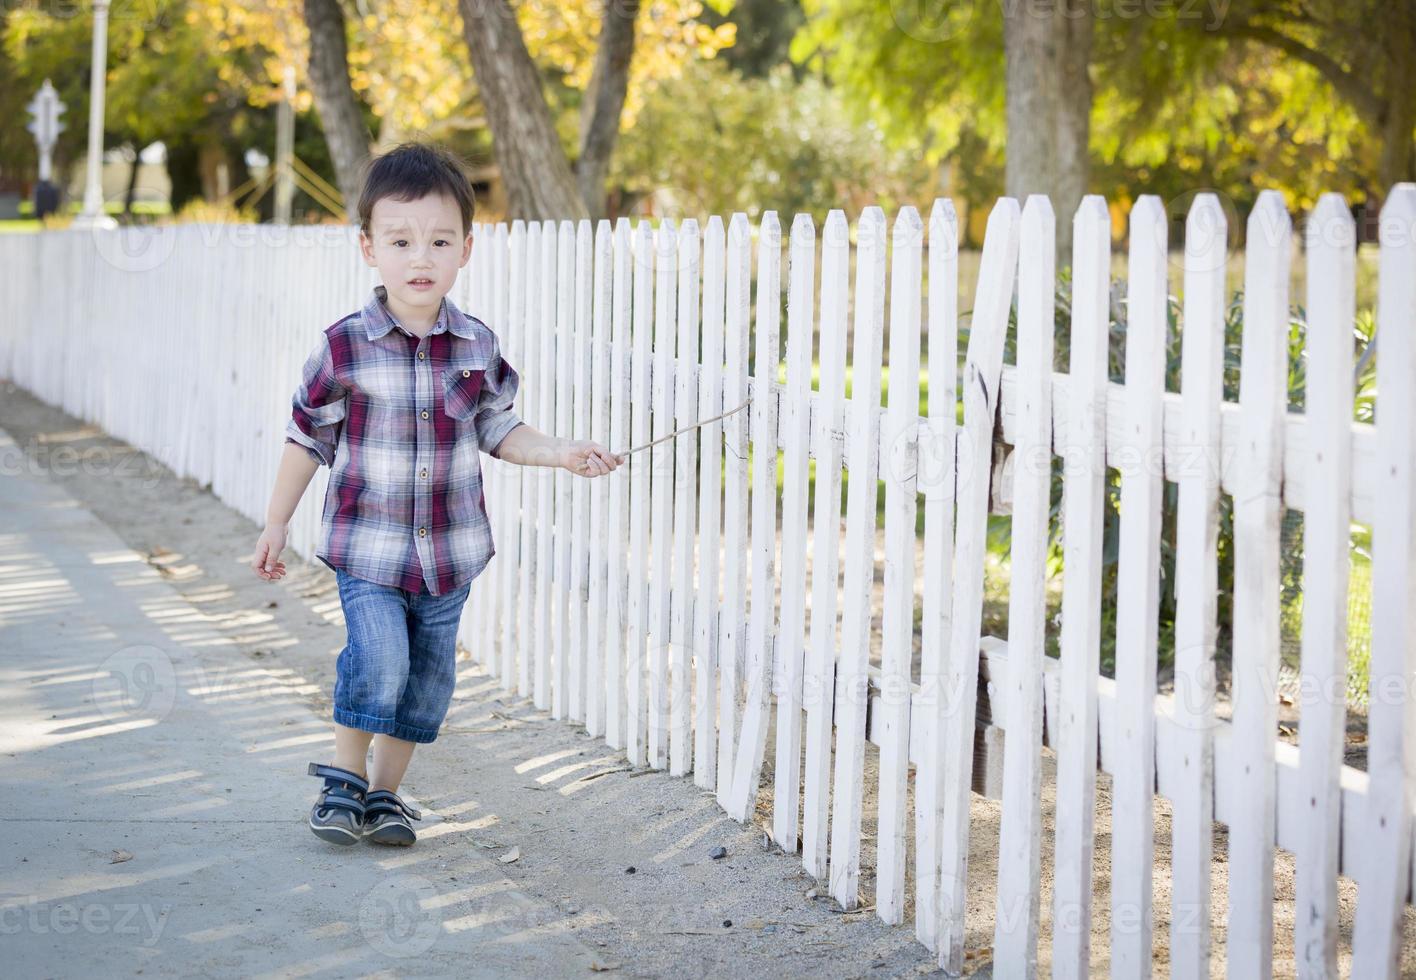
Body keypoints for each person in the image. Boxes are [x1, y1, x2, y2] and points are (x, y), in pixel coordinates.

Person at [249, 141, 624, 847]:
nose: (420, 258)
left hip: (449, 554)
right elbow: (306, 438)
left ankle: (387, 796)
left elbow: (500, 427)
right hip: (369, 549)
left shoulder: (475, 345)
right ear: (368, 248)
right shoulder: (344, 347)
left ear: (466, 250)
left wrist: (560, 453)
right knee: (380, 658)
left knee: (426, 681)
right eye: (401, 241)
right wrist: (276, 523)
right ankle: (344, 781)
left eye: (439, 241)